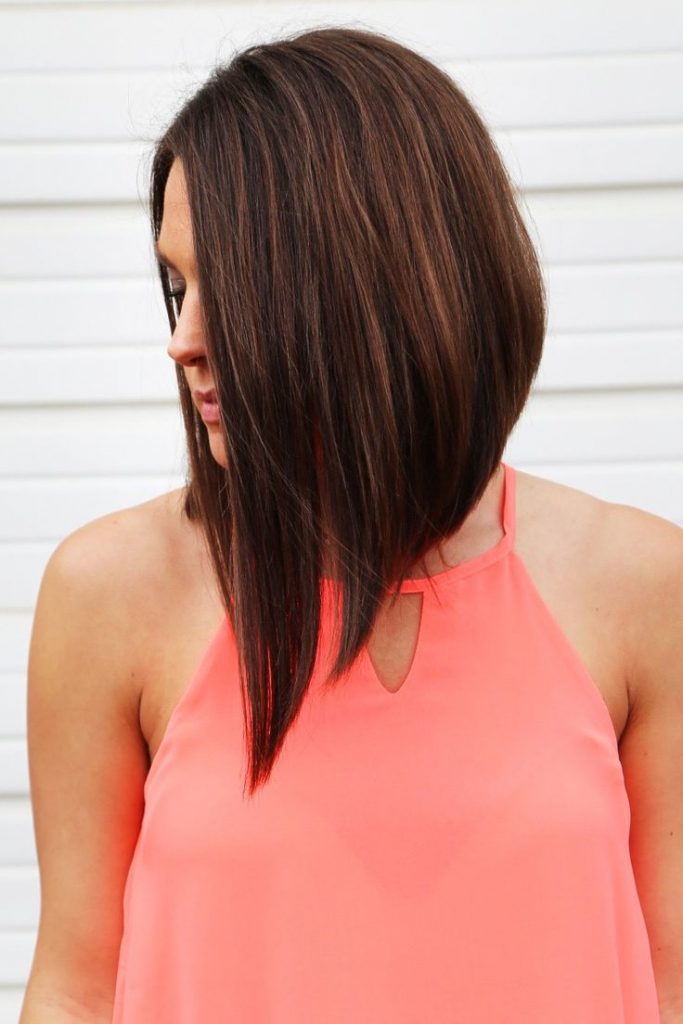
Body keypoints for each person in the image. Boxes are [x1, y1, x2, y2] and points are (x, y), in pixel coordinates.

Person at [19, 25, 682, 1024]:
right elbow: (76, 989)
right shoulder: (112, 592)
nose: (181, 341)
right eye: (176, 285)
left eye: (229, 287)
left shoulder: (638, 586)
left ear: (377, 286)